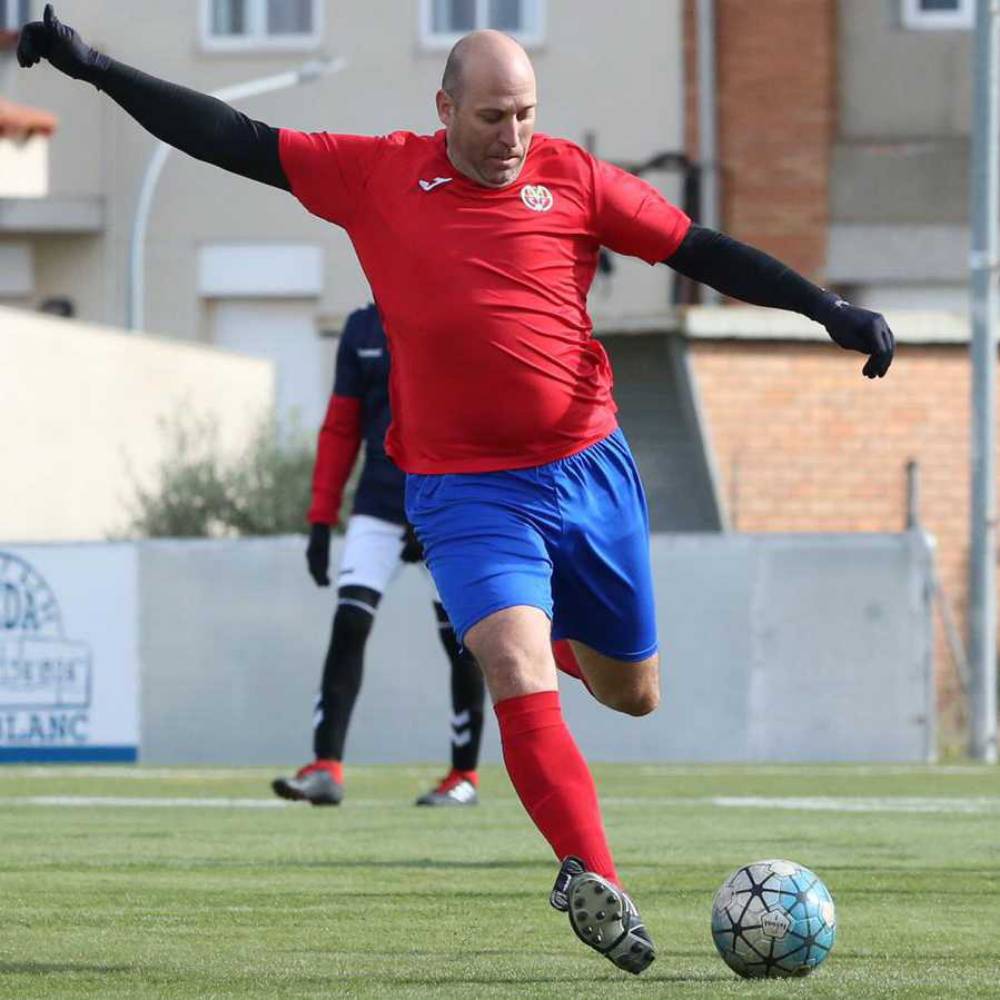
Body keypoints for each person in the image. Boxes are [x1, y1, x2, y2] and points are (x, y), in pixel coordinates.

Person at [19, 7, 894, 975]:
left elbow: (699, 248)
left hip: (589, 470)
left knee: (632, 693)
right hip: (465, 491)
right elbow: (232, 137)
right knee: (513, 665)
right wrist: (97, 68)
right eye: (490, 117)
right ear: (444, 109)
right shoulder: (377, 174)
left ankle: (553, 637)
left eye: (524, 114)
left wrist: (826, 308)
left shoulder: (575, 177)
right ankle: (595, 879)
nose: (511, 135)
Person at [272, 302, 486, 809]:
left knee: (463, 640)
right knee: (350, 622)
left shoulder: (449, 313)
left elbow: (470, 415)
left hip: (443, 504)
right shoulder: (361, 327)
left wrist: (435, 499)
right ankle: (326, 768)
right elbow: (341, 426)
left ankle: (463, 776)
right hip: (377, 504)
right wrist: (320, 519)